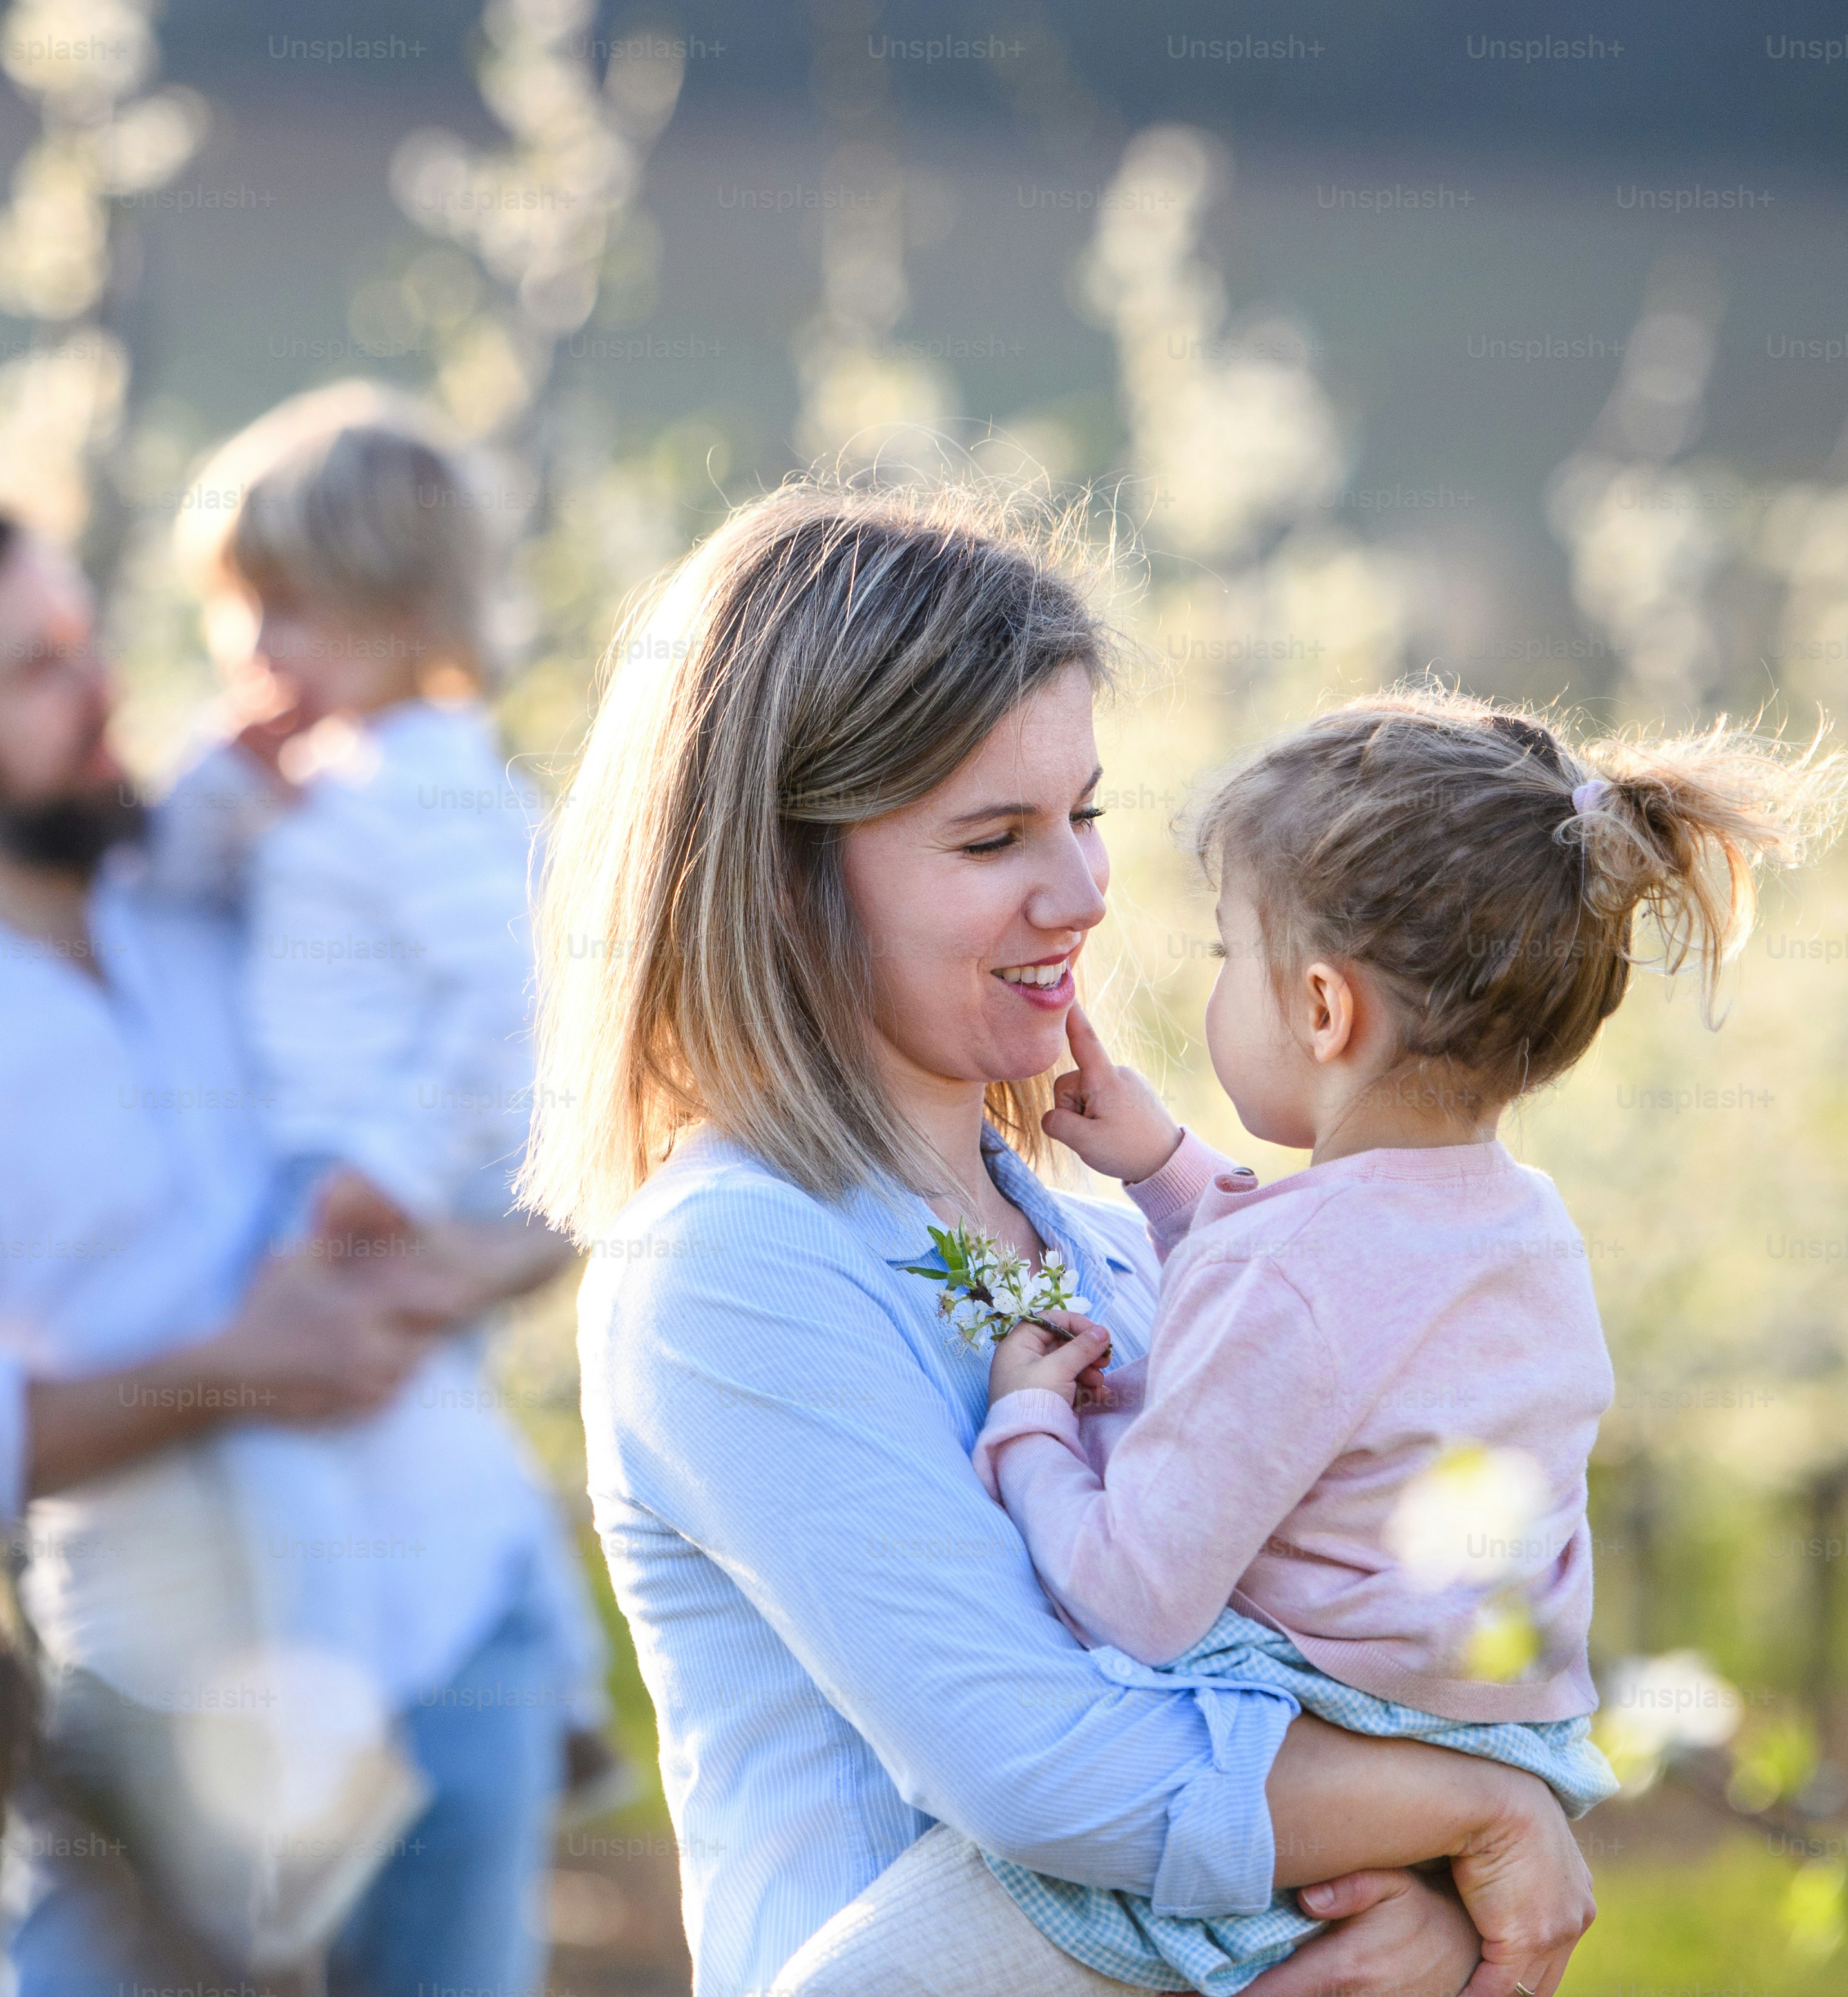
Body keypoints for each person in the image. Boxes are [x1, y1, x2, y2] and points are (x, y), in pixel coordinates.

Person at [519, 483, 1531, 1997]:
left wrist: (1427, 1901)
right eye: (993, 838)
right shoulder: (731, 1267)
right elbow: (1046, 1759)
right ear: (780, 884)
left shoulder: (1102, 1226)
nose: (1083, 891)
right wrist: (1487, 1807)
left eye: (1087, 812)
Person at [790, 691, 1848, 1997]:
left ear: (1319, 1005)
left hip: (1305, 1755)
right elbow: (1341, 1326)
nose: (1205, 985)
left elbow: (1135, 1591)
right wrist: (1164, 1166)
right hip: (1487, 1734)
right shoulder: (1521, 1227)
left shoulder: (1285, 1276)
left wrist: (1026, 1426)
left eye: (1221, 953)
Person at [0, 495, 565, 1994]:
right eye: (37, 668)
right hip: (168, 1697)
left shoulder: (256, 871)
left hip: (462, 1615)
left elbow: (532, 1144)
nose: (105, 685)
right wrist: (232, 1371)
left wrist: (453, 1270)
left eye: (86, 638)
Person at [167, 384, 621, 1838]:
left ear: (399, 607)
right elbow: (180, 883)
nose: (250, 650)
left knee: (284, 1426)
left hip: (378, 1166)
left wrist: (388, 1161)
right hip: (362, 1154)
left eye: (285, 610)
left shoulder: (418, 796)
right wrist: (211, 793)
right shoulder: (344, 781)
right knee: (426, 1409)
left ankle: (342, 1718)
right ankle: (549, 1673)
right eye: (241, 609)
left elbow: (509, 1008)